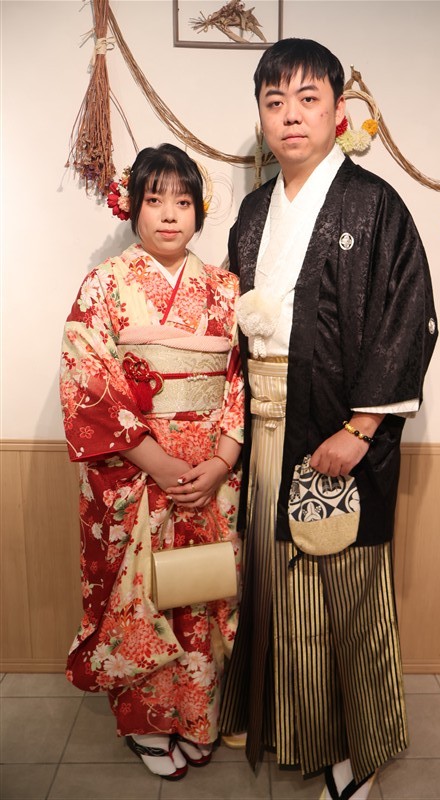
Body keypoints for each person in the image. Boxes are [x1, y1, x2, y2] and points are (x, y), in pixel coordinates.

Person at [219, 39, 438, 800]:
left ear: (337, 111)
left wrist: (362, 429)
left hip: (337, 433)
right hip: (265, 426)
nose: (291, 116)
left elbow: (408, 319)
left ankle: (356, 756)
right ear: (261, 115)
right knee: (281, 591)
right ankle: (299, 731)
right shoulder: (254, 211)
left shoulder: (373, 205)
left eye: (307, 99)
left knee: (345, 594)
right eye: (274, 101)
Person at [60, 144, 244, 781]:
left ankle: (196, 717)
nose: (169, 214)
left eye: (183, 202)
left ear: (199, 212)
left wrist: (222, 461)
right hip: (136, 471)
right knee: (145, 598)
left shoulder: (225, 290)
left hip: (211, 475)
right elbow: (87, 380)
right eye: (155, 199)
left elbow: (241, 381)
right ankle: (145, 724)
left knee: (203, 589)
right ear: (133, 207)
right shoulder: (105, 285)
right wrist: (157, 462)